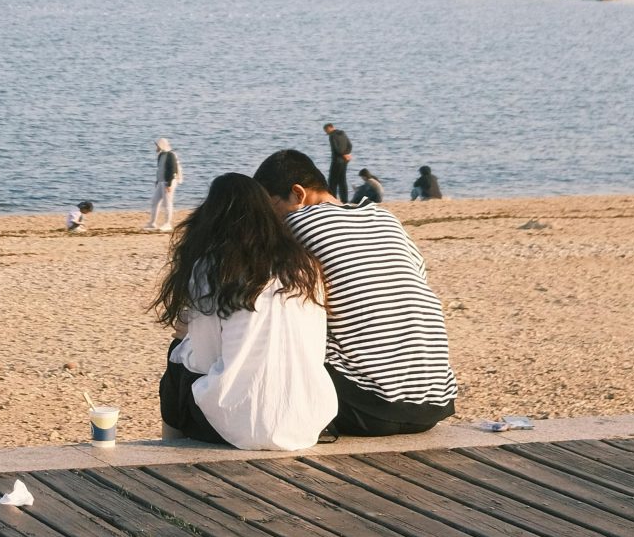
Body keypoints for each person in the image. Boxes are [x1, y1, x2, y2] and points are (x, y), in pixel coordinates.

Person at [255, 149, 457, 437]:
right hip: (435, 403)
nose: (270, 218)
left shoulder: (295, 225)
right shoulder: (387, 220)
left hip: (367, 407)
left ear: (298, 193)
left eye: (271, 207)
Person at [153, 173, 337, 450]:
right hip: (306, 420)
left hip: (234, 427)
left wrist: (184, 338)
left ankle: (170, 445)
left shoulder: (213, 267)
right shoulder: (305, 267)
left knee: (179, 351)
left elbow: (203, 360)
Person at [148, 138, 182, 233]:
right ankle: (152, 223)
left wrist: (169, 184)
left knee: (167, 203)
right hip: (161, 182)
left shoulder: (171, 155)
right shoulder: (161, 155)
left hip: (168, 182)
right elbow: (160, 169)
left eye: (158, 145)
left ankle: (168, 223)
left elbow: (173, 170)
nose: (157, 147)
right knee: (155, 201)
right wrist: (157, 180)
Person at [322, 121, 353, 204]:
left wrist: (343, 154)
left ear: (329, 128)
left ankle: (333, 199)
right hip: (345, 161)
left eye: (326, 131)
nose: (327, 133)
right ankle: (345, 200)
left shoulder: (332, 136)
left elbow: (336, 149)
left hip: (337, 161)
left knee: (332, 181)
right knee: (342, 181)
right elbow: (350, 145)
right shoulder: (343, 133)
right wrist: (347, 154)